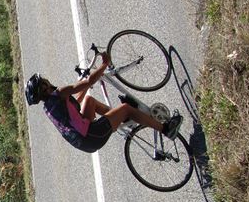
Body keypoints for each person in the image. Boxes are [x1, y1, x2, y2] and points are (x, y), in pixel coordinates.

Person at [24, 52, 183, 153]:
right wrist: (104, 64)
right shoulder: (59, 94)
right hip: (92, 136)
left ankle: (121, 118)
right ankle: (166, 129)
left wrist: (87, 87)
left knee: (89, 100)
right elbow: (87, 82)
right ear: (43, 88)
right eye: (43, 81)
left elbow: (75, 106)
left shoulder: (49, 107)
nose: (46, 79)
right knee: (127, 108)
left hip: (85, 142)